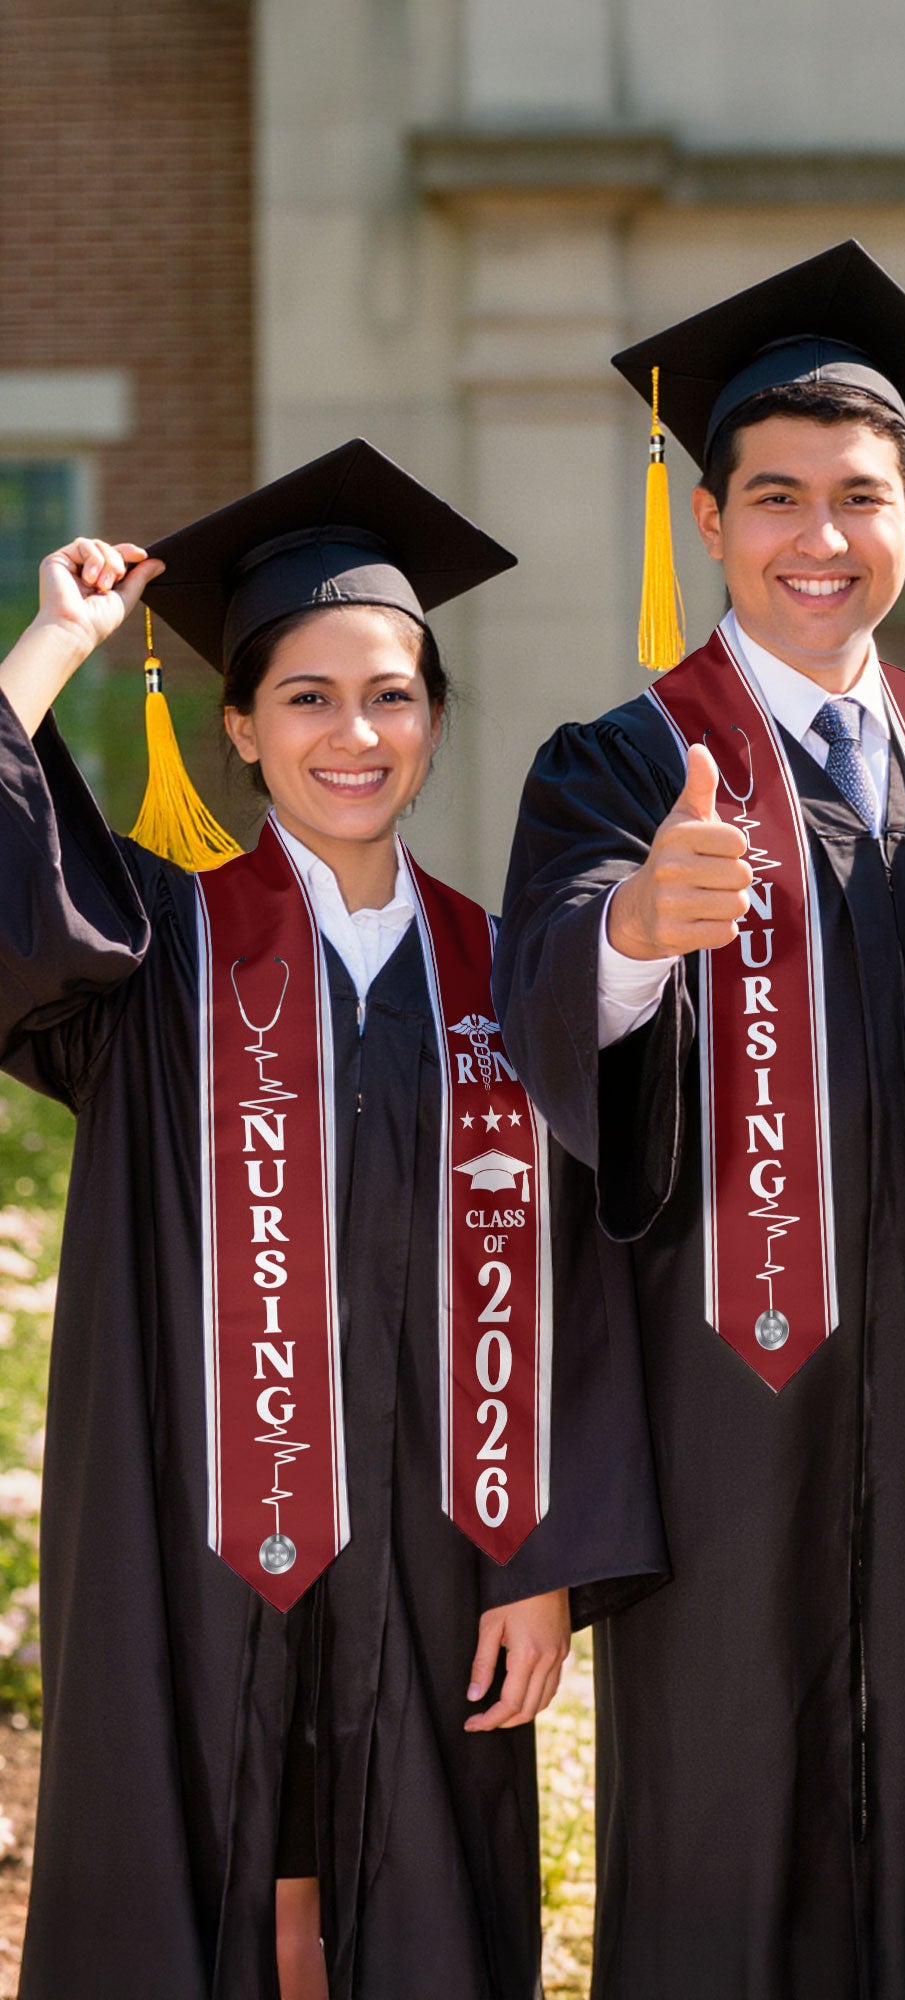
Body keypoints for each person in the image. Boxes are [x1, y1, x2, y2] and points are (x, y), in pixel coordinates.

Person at [495, 241, 905, 1998]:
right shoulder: (621, 763)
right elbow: (544, 1002)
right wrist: (635, 930)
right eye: (775, 498)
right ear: (710, 522)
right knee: (735, 1837)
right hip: (729, 1423)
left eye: (858, 498)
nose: (818, 537)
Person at [0, 440, 665, 2000]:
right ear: (239, 726)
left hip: (440, 1547)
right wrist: (54, 643)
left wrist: (544, 1560)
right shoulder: (155, 953)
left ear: (433, 719)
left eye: (391, 696)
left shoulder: (509, 974)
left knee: (417, 1896)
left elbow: (581, 1284)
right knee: (197, 1869)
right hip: (187, 1534)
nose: (353, 734)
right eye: (306, 697)